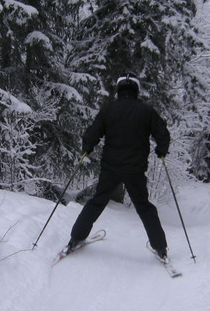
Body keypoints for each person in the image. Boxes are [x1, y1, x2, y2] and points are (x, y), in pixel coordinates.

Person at [65, 73, 170, 260]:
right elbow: (162, 132)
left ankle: (75, 238)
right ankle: (160, 248)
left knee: (97, 201)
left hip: (111, 167)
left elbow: (92, 133)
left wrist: (87, 149)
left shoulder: (108, 110)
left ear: (119, 90)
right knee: (144, 207)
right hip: (135, 169)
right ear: (136, 90)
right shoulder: (146, 111)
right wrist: (161, 151)